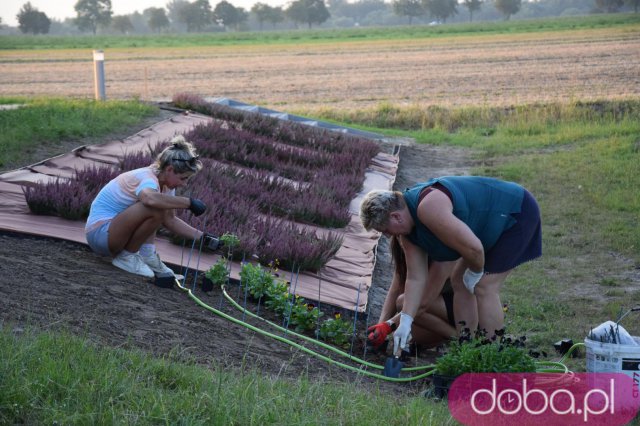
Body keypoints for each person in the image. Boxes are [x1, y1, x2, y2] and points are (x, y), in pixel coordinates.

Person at [360, 176, 541, 354]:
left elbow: (475, 249)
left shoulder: (428, 208)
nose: (388, 235)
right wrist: (404, 322)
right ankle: (468, 349)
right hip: (486, 229)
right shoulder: (408, 235)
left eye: (385, 230)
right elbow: (415, 279)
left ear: (396, 217)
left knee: (484, 286)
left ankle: (493, 357)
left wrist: (476, 272)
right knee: (460, 280)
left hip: (515, 212)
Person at [85, 135, 213, 278]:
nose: (184, 184)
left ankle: (147, 257)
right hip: (100, 235)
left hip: (114, 235)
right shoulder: (147, 178)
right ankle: (127, 258)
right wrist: (188, 203)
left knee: (159, 208)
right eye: (183, 178)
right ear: (170, 169)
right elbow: (149, 199)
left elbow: (170, 220)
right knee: (155, 207)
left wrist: (204, 238)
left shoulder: (166, 186)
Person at [367, 236, 456, 351]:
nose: (401, 241)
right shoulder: (404, 247)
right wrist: (379, 329)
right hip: (438, 307)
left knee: (403, 302)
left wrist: (388, 326)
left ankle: (462, 339)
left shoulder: (440, 254)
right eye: (397, 237)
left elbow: (423, 302)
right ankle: (448, 338)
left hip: (462, 309)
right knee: (408, 334)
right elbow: (395, 288)